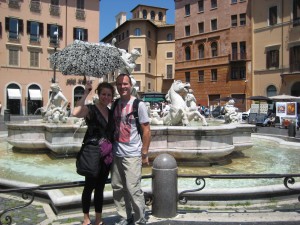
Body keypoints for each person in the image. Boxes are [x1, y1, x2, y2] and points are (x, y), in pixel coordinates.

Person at [73, 81, 115, 225]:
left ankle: (98, 219)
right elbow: (75, 112)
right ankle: (86, 218)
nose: (106, 97)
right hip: (92, 155)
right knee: (89, 187)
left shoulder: (111, 112)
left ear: (112, 97)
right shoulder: (91, 109)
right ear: (98, 94)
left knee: (100, 189)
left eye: (109, 95)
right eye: (103, 94)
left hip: (106, 157)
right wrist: (85, 92)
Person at [112, 74, 151, 225]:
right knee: (118, 188)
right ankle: (124, 217)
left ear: (131, 85)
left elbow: (146, 130)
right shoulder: (115, 104)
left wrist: (144, 152)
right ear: (117, 86)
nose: (123, 87)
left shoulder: (138, 105)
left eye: (125, 84)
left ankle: (140, 219)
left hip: (133, 154)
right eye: (120, 84)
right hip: (116, 153)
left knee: (133, 189)